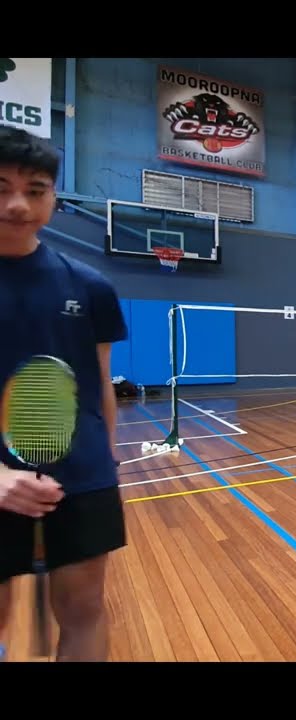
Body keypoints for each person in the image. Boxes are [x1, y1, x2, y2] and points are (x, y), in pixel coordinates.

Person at [0, 125, 128, 661]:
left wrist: (106, 466)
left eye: (35, 189)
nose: (16, 204)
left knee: (82, 614)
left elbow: (99, 384)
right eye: (0, 187)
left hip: (81, 478)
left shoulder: (90, 286)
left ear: (53, 196)